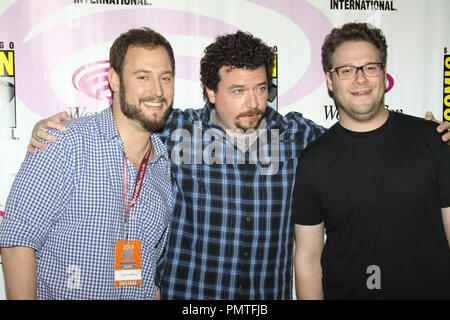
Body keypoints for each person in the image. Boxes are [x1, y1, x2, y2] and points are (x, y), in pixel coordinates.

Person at [25, 30, 450, 300]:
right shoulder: (173, 131)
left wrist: (429, 134)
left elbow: (362, 134)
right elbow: (127, 121)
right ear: (210, 91)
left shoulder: (300, 136)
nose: (253, 103)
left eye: (262, 88)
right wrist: (47, 130)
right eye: (238, 90)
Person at [0, 27, 173, 299]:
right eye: (143, 77)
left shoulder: (164, 165)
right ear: (114, 80)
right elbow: (17, 241)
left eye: (166, 78)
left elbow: (152, 266)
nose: (158, 90)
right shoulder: (67, 142)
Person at [293, 22, 450, 300]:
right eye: (347, 70)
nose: (360, 79)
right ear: (330, 80)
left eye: (370, 67)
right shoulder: (313, 160)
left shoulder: (434, 140)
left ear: (384, 74)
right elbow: (307, 258)